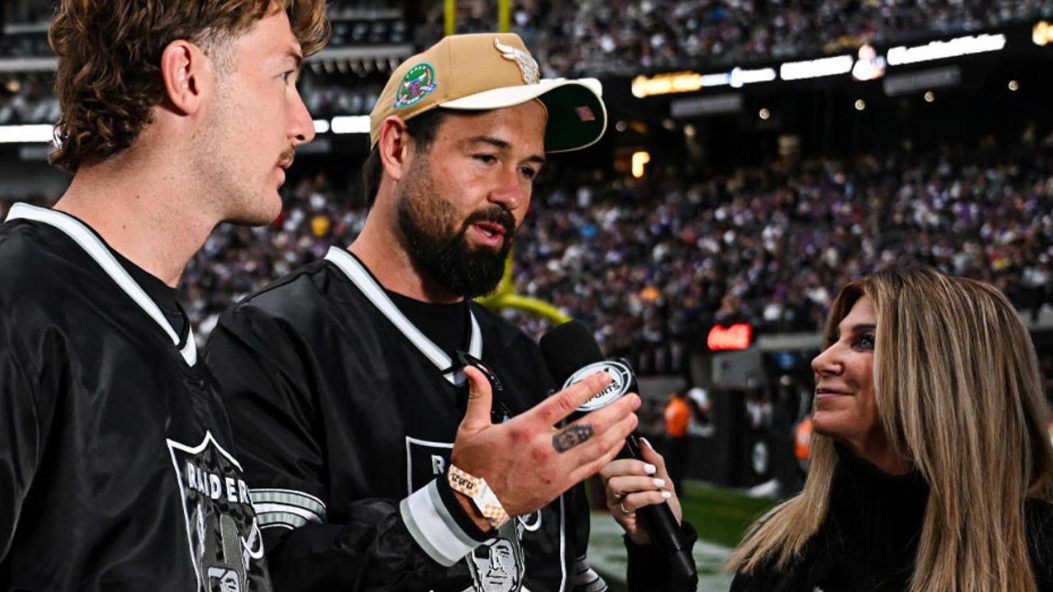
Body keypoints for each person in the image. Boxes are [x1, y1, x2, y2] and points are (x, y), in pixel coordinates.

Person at [205, 32, 688, 592]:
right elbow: (263, 575)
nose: (511, 193)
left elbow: (562, 579)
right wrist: (464, 507)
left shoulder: (526, 363)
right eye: (486, 157)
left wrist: (653, 559)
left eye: (529, 170)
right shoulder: (275, 338)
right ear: (397, 149)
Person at [0, 1, 328, 589]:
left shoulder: (160, 334)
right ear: (187, 76)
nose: (303, 123)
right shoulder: (18, 306)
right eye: (284, 77)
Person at [725, 267, 1053, 592]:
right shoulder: (784, 548)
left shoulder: (1039, 550)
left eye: (865, 341)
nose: (820, 360)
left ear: (946, 373)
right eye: (835, 339)